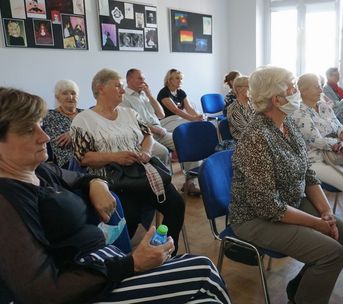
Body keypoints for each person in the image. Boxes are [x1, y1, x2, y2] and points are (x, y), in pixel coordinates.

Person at [0, 87, 231, 304]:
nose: (45, 137)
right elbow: (41, 291)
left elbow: (79, 177)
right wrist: (132, 263)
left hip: (102, 264)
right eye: (29, 130)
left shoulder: (40, 170)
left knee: (197, 275)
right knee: (203, 275)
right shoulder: (6, 201)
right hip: (84, 286)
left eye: (40, 125)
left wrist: (97, 183)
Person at [229, 66, 343, 304]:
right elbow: (268, 206)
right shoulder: (256, 137)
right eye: (292, 87)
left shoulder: (288, 125)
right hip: (255, 217)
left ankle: (300, 290)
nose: (297, 91)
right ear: (277, 99)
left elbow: (307, 173)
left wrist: (326, 212)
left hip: (290, 201)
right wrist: (318, 224)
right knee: (332, 253)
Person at [70, 69, 186, 252]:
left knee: (176, 205)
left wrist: (146, 152)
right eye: (118, 86)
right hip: (112, 181)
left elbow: (147, 137)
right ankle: (127, 259)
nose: (123, 91)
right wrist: (115, 157)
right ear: (100, 89)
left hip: (141, 173)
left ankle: (165, 251)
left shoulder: (129, 113)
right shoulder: (83, 120)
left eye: (122, 87)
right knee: (129, 216)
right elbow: (83, 157)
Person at [291, 73, 343, 249]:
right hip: (315, 161)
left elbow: (341, 127)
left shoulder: (324, 106)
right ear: (303, 90)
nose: (321, 89)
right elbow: (317, 140)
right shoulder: (298, 112)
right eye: (316, 86)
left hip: (340, 157)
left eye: (320, 85)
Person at [156, 69, 204, 195]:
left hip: (180, 120)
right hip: (167, 122)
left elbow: (189, 108)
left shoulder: (181, 92)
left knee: (195, 135)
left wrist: (198, 117)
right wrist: (192, 119)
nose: (180, 81)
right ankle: (191, 181)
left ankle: (190, 181)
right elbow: (176, 110)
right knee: (191, 130)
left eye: (181, 78)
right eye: (177, 78)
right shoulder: (163, 93)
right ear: (169, 80)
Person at [120, 68, 172, 167]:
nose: (143, 81)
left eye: (144, 79)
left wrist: (150, 95)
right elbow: (132, 121)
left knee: (183, 140)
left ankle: (190, 177)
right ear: (129, 80)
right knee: (163, 152)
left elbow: (161, 114)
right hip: (144, 134)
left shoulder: (144, 95)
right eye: (140, 78)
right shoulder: (124, 97)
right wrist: (154, 129)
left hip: (159, 130)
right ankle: (164, 179)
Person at [42, 80, 82, 168]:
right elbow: (60, 143)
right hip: (70, 162)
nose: (70, 97)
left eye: (73, 93)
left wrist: (74, 133)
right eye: (65, 93)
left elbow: (99, 134)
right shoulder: (49, 116)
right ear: (57, 97)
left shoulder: (86, 114)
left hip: (94, 157)